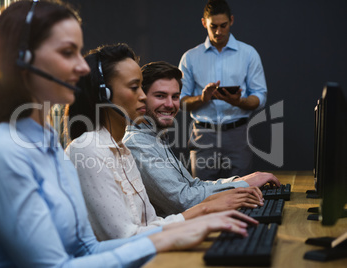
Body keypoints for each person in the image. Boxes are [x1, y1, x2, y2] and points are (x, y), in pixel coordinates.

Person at [0, 1, 257, 267]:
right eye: (68, 52)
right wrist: (172, 234)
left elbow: (87, 250)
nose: (83, 68)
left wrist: (183, 228)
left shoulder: (48, 147)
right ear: (24, 60)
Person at [65, 43, 258, 242]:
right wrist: (206, 209)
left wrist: (212, 210)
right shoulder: (89, 148)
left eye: (141, 87)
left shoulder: (122, 149)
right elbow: (125, 239)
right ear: (103, 94)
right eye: (135, 88)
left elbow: (150, 221)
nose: (142, 96)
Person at [124, 61, 280, 217]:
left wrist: (242, 180)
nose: (170, 104)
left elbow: (192, 185)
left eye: (176, 96)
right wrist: (244, 185)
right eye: (160, 96)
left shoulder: (154, 136)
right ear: (141, 98)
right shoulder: (138, 143)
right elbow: (183, 201)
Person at [179, 0, 267, 180]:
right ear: (204, 23)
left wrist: (238, 102)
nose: (219, 31)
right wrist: (203, 99)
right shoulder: (190, 58)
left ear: (232, 21)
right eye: (213, 26)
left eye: (223, 25)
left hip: (237, 136)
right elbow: (180, 102)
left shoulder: (248, 54)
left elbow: (260, 97)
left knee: (242, 194)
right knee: (202, 196)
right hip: (203, 136)